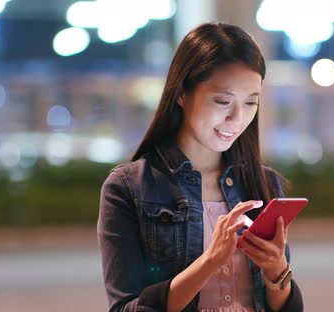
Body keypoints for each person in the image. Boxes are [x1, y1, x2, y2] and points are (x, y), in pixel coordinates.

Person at [97, 22, 304, 312]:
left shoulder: (262, 182)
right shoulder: (128, 187)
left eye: (250, 103)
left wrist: (277, 271)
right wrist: (210, 261)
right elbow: (125, 308)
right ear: (182, 93)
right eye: (222, 101)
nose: (237, 118)